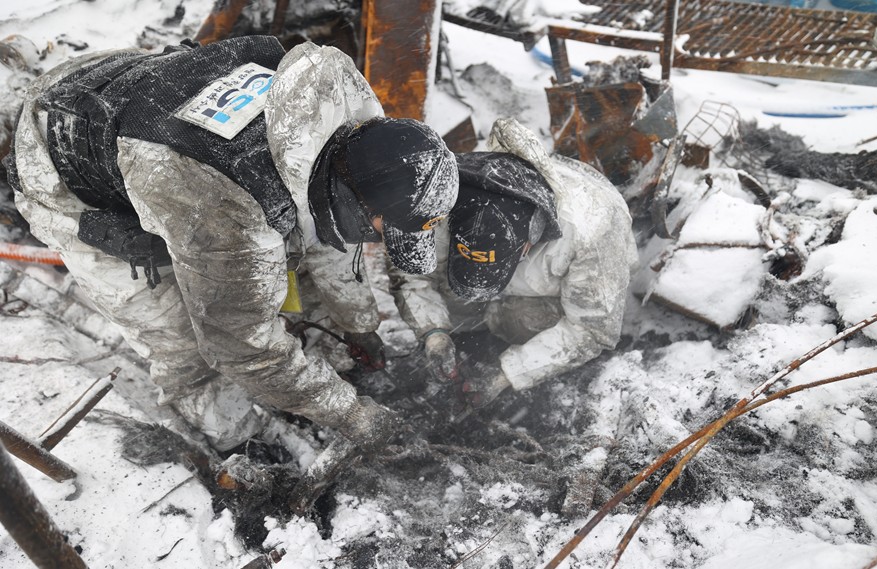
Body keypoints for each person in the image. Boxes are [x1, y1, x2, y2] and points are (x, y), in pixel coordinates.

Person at [5, 35, 458, 452]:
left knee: (275, 264)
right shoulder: (229, 207)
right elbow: (240, 344)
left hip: (132, 87)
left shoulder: (337, 134)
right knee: (182, 339)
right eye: (381, 229)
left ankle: (305, 372)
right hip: (63, 150)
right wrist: (350, 414)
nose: (376, 240)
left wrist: (358, 325)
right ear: (357, 198)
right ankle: (237, 439)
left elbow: (328, 245)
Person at [389, 118, 638, 408]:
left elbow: (593, 329)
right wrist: (433, 333)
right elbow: (411, 271)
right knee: (452, 292)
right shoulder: (449, 199)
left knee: (522, 319)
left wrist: (508, 372)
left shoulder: (593, 230)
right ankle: (471, 326)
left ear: (528, 243)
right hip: (497, 270)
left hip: (554, 294)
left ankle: (504, 328)